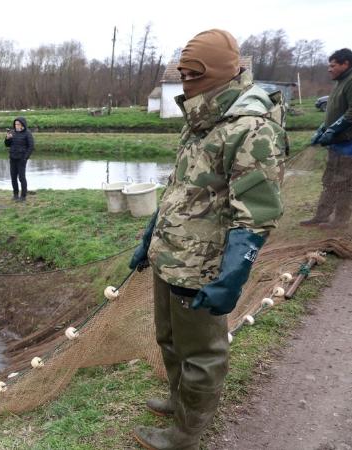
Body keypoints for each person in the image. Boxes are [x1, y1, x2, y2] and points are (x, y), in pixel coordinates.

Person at [128, 29, 285, 449]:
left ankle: (185, 433)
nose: (184, 80)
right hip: (172, 254)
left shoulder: (250, 127)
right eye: (181, 71)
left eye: (192, 72)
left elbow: (256, 214)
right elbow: (181, 188)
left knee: (201, 353)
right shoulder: (201, 118)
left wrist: (233, 274)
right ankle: (180, 400)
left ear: (217, 71)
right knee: (169, 339)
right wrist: (150, 236)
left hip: (204, 266)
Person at [301, 48, 352, 229]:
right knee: (329, 180)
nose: (329, 69)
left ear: (346, 64)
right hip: (335, 143)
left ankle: (340, 220)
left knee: (344, 183)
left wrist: (333, 130)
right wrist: (322, 129)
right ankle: (321, 216)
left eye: (333, 65)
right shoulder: (339, 82)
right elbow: (335, 110)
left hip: (348, 144)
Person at [4, 116, 34, 202]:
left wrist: (25, 157)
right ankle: (15, 195)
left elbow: (31, 146)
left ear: (22, 125)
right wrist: (7, 138)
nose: (16, 125)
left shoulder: (27, 133)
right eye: (15, 124)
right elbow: (7, 145)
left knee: (21, 178)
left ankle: (23, 196)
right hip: (12, 158)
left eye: (18, 124)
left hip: (21, 159)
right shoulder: (12, 132)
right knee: (13, 177)